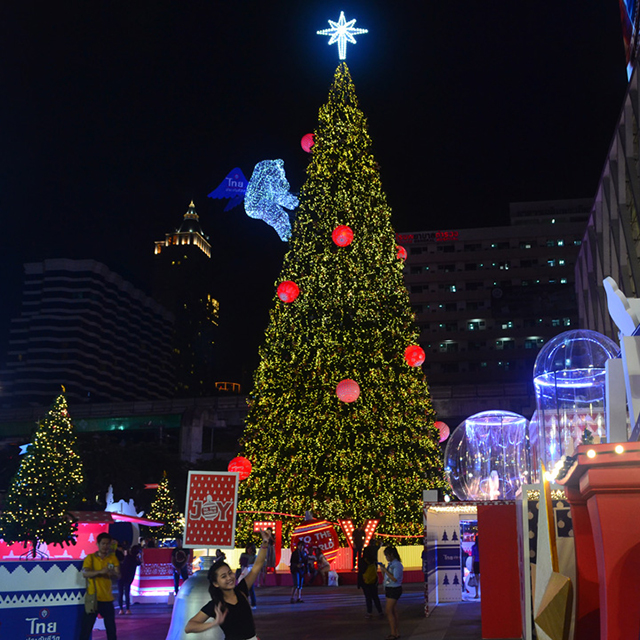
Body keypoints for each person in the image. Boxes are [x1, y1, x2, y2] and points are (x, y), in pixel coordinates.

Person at [184, 529, 270, 638]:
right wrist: (213, 623)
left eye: (230, 573)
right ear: (216, 583)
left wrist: (265, 542)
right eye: (223, 576)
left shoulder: (242, 590)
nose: (229, 578)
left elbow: (257, 566)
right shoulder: (216, 605)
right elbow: (189, 627)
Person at [80, 532, 121, 640]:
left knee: (111, 629)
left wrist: (112, 573)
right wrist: (100, 572)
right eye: (103, 543)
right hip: (94, 598)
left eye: (108, 544)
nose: (105, 546)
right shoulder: (91, 558)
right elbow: (85, 573)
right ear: (98, 544)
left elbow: (118, 575)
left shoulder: (112, 559)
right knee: (86, 628)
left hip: (107, 598)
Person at [378, 546, 403, 640]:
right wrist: (383, 570)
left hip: (394, 589)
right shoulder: (392, 564)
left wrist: (385, 570)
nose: (386, 558)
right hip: (390, 588)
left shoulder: (397, 565)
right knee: (393, 611)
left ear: (391, 554)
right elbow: (387, 577)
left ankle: (393, 633)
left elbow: (394, 578)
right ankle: (396, 632)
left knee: (388, 611)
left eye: (387, 555)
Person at [116, 541, 142, 614]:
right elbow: (140, 563)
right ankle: (127, 609)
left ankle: (121, 609)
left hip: (121, 576)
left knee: (120, 593)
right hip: (128, 577)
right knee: (127, 593)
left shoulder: (127, 557)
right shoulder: (134, 559)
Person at [357, 544, 383, 618]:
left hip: (365, 581)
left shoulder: (362, 561)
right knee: (375, 596)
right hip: (373, 580)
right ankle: (380, 611)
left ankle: (369, 612)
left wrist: (359, 583)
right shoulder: (374, 560)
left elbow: (361, 571)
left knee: (368, 597)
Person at [237, 543, 257, 609]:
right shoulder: (243, 555)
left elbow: (255, 564)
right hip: (243, 572)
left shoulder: (254, 556)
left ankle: (253, 604)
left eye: (251, 549)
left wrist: (250, 565)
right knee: (242, 589)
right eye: (248, 548)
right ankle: (243, 603)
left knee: (251, 589)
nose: (249, 550)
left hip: (250, 574)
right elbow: (240, 562)